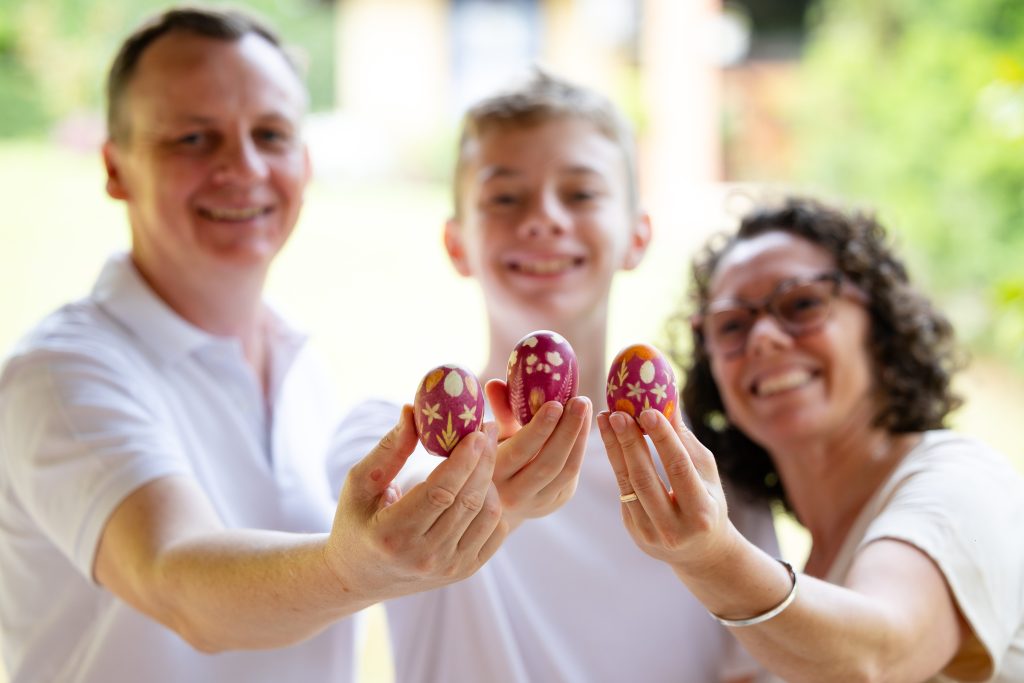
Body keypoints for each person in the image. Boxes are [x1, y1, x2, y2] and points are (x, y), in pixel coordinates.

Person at [0, 8, 587, 682]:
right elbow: (177, 580)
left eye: (271, 135)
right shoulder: (62, 375)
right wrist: (352, 566)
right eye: (193, 137)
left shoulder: (300, 358)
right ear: (115, 165)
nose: (241, 167)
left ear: (304, 163)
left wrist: (480, 503)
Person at [332, 70, 779, 682]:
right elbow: (384, 536)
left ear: (637, 235)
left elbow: (752, 667)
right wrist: (494, 500)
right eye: (505, 198)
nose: (543, 219)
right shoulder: (394, 436)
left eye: (581, 194)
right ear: (457, 244)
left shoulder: (703, 467)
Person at [599, 196, 1024, 682]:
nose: (763, 338)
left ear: (879, 325)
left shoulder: (963, 481)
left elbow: (880, 660)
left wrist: (710, 558)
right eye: (731, 325)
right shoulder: (799, 570)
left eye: (802, 304)